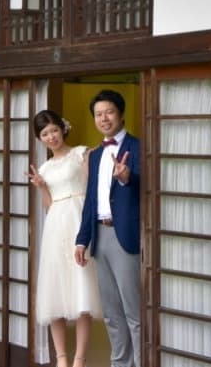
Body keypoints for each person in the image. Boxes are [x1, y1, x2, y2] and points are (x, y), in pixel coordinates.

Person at [29, 109, 102, 367]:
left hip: (79, 222)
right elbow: (50, 205)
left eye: (54, 130)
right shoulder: (45, 167)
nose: (51, 137)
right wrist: (41, 187)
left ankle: (79, 359)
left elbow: (92, 191)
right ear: (40, 139)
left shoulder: (81, 153)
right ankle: (61, 357)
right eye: (44, 134)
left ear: (63, 128)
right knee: (55, 291)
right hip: (55, 228)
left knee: (82, 290)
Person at [74, 90, 141, 367]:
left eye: (109, 112)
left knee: (133, 310)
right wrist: (82, 239)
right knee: (112, 311)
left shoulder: (138, 147)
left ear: (121, 114)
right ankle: (120, 363)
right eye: (98, 114)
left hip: (126, 236)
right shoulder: (95, 154)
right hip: (99, 236)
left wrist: (127, 178)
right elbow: (91, 199)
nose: (104, 118)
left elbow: (150, 190)